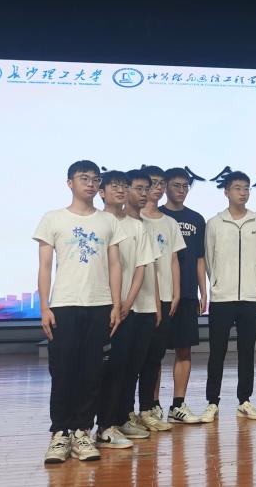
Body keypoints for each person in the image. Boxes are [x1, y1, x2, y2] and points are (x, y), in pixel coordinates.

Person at [35, 161, 126, 464]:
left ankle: (82, 432)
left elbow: (115, 264)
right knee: (63, 371)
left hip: (99, 305)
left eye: (95, 179)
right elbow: (45, 266)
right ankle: (60, 433)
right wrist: (44, 306)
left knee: (92, 372)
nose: (90, 183)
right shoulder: (53, 218)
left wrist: (115, 304)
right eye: (83, 178)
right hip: (63, 305)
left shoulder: (108, 221)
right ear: (70, 183)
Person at [95, 170, 159, 450]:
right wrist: (113, 304)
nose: (121, 190)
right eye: (115, 186)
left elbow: (141, 268)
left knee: (127, 368)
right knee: (104, 370)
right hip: (101, 308)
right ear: (102, 191)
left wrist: (127, 303)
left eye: (124, 186)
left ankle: (120, 419)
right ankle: (101, 425)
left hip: (128, 309)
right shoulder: (96, 223)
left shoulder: (137, 226)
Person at [202, 171, 256, 422]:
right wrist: (218, 282)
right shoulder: (215, 223)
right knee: (216, 352)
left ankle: (244, 400)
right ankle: (212, 402)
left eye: (246, 188)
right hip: (222, 298)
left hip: (249, 297)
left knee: (247, 351)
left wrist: (251, 280)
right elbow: (210, 259)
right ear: (226, 192)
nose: (243, 192)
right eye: (237, 188)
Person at [137, 165, 185, 430]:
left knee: (155, 358)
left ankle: (148, 408)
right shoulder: (134, 219)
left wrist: (176, 291)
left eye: (160, 183)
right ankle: (129, 411)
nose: (156, 188)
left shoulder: (169, 222)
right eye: (151, 183)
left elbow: (174, 259)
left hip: (165, 297)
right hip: (139, 299)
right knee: (134, 358)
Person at [159, 167, 207, 424]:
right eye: (176, 185)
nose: (181, 190)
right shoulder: (156, 215)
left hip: (187, 293)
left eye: (185, 186)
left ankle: (177, 404)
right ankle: (151, 406)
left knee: (184, 350)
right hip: (159, 294)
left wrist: (203, 290)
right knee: (154, 354)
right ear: (165, 186)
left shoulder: (197, 219)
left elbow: (200, 258)